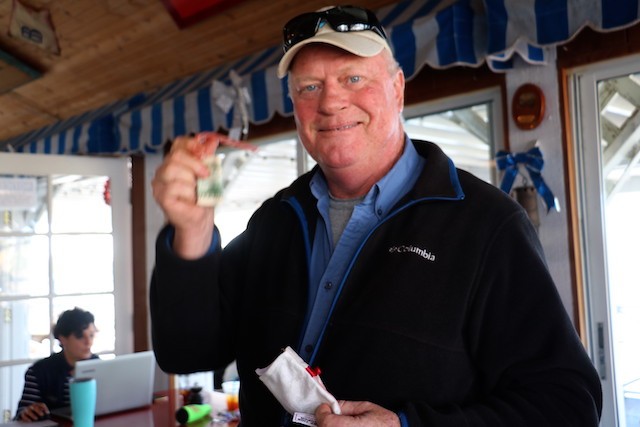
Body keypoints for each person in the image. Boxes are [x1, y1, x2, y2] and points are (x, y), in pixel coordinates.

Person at [150, 5, 602, 426]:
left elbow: (567, 403)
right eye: (309, 87)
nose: (330, 102)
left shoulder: (488, 224)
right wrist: (192, 232)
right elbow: (185, 352)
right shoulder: (274, 220)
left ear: (398, 88)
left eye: (353, 78)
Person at [15, 307, 98, 422]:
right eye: (80, 336)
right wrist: (27, 412)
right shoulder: (40, 371)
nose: (88, 342)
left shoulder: (98, 365)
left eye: (91, 335)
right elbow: (21, 414)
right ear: (63, 339)